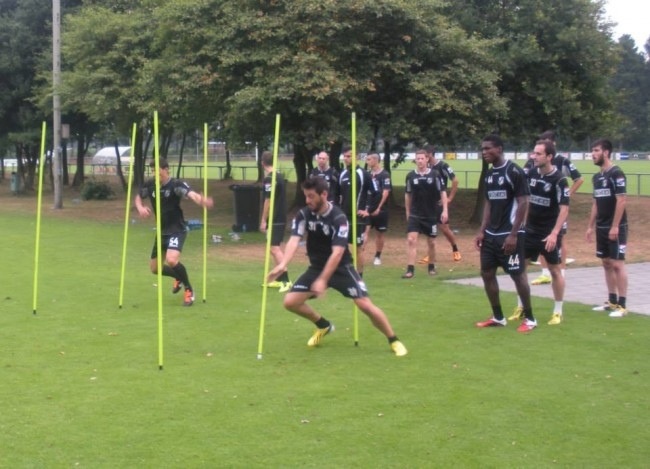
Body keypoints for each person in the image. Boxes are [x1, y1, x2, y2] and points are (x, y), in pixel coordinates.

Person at [267, 177, 408, 356]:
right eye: (306, 196)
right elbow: (294, 240)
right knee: (290, 302)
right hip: (316, 268)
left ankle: (394, 340)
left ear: (324, 194)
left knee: (364, 304)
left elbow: (337, 253)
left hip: (341, 268)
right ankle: (323, 325)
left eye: (311, 196)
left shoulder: (338, 218)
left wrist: (323, 280)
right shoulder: (304, 214)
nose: (307, 201)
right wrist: (283, 264)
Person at [475, 135, 536, 332]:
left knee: (517, 275)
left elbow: (523, 202)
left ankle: (530, 319)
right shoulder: (489, 174)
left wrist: (514, 234)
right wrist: (482, 231)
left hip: (509, 234)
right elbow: (488, 203)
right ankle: (498, 317)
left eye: (488, 148)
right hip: (490, 235)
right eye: (482, 149)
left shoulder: (514, 171)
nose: (484, 152)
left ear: (499, 149)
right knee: (486, 273)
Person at [134, 158, 214, 307]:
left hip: (177, 230)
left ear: (166, 170)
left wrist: (201, 200)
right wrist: (140, 207)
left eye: (157, 170)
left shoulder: (176, 185)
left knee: (171, 260)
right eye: (153, 171)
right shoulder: (150, 185)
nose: (155, 174)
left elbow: (191, 194)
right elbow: (139, 196)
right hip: (161, 231)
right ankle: (178, 277)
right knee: (155, 269)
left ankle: (189, 290)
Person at [510, 140, 570, 325]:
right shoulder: (531, 174)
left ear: (549, 156)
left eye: (538, 154)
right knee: (520, 269)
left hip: (548, 233)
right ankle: (521, 307)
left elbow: (564, 209)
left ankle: (558, 312)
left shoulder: (559, 179)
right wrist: (521, 224)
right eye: (533, 153)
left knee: (554, 270)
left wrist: (554, 233)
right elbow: (525, 200)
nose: (533, 157)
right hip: (529, 231)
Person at [527, 131, 584, 285]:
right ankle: (545, 273)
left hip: (556, 210)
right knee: (541, 240)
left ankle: (561, 271)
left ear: (553, 144)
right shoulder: (535, 162)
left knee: (559, 238)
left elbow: (579, 179)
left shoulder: (562, 161)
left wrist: (567, 195)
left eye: (547, 141)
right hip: (538, 211)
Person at [585, 138, 629, 318]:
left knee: (617, 264)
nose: (593, 154)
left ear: (606, 152)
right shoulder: (597, 177)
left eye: (596, 151)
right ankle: (611, 301)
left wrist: (615, 226)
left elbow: (622, 200)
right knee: (606, 263)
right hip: (601, 227)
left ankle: (622, 305)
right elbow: (596, 203)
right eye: (592, 151)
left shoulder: (616, 173)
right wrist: (590, 226)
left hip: (616, 227)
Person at [403, 149, 448, 278]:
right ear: (415, 160)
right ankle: (410, 270)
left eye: (422, 158)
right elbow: (408, 195)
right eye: (418, 159)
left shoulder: (435, 175)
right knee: (411, 240)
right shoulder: (411, 176)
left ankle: (431, 267)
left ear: (427, 159)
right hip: (415, 214)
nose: (420, 161)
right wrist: (407, 211)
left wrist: (445, 210)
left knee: (431, 242)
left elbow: (442, 192)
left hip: (431, 214)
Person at [420, 144, 462, 263]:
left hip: (439, 203)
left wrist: (449, 198)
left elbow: (455, 180)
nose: (423, 158)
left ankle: (455, 249)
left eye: (425, 156)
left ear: (430, 154)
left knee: (444, 228)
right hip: (428, 203)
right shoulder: (426, 167)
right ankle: (430, 254)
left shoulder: (443, 166)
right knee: (429, 229)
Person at [339, 147, 374, 276]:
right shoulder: (342, 174)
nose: (346, 159)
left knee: (358, 247)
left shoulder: (363, 174)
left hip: (358, 218)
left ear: (357, 157)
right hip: (343, 217)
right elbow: (338, 195)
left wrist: (367, 210)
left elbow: (375, 192)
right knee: (342, 246)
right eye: (345, 156)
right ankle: (346, 272)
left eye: (349, 156)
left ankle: (359, 276)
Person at [260, 151, 292, 292]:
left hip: (275, 218)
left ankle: (286, 280)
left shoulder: (269, 179)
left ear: (262, 163)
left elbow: (268, 200)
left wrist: (263, 220)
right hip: (279, 216)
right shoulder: (279, 176)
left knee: (274, 248)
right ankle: (279, 278)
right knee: (273, 248)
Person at [364, 152, 392, 266]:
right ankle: (360, 253)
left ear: (375, 160)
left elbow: (386, 192)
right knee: (364, 231)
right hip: (368, 208)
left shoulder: (384, 175)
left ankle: (377, 256)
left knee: (380, 234)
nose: (367, 161)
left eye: (369, 159)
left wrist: (379, 207)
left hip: (381, 209)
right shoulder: (367, 174)